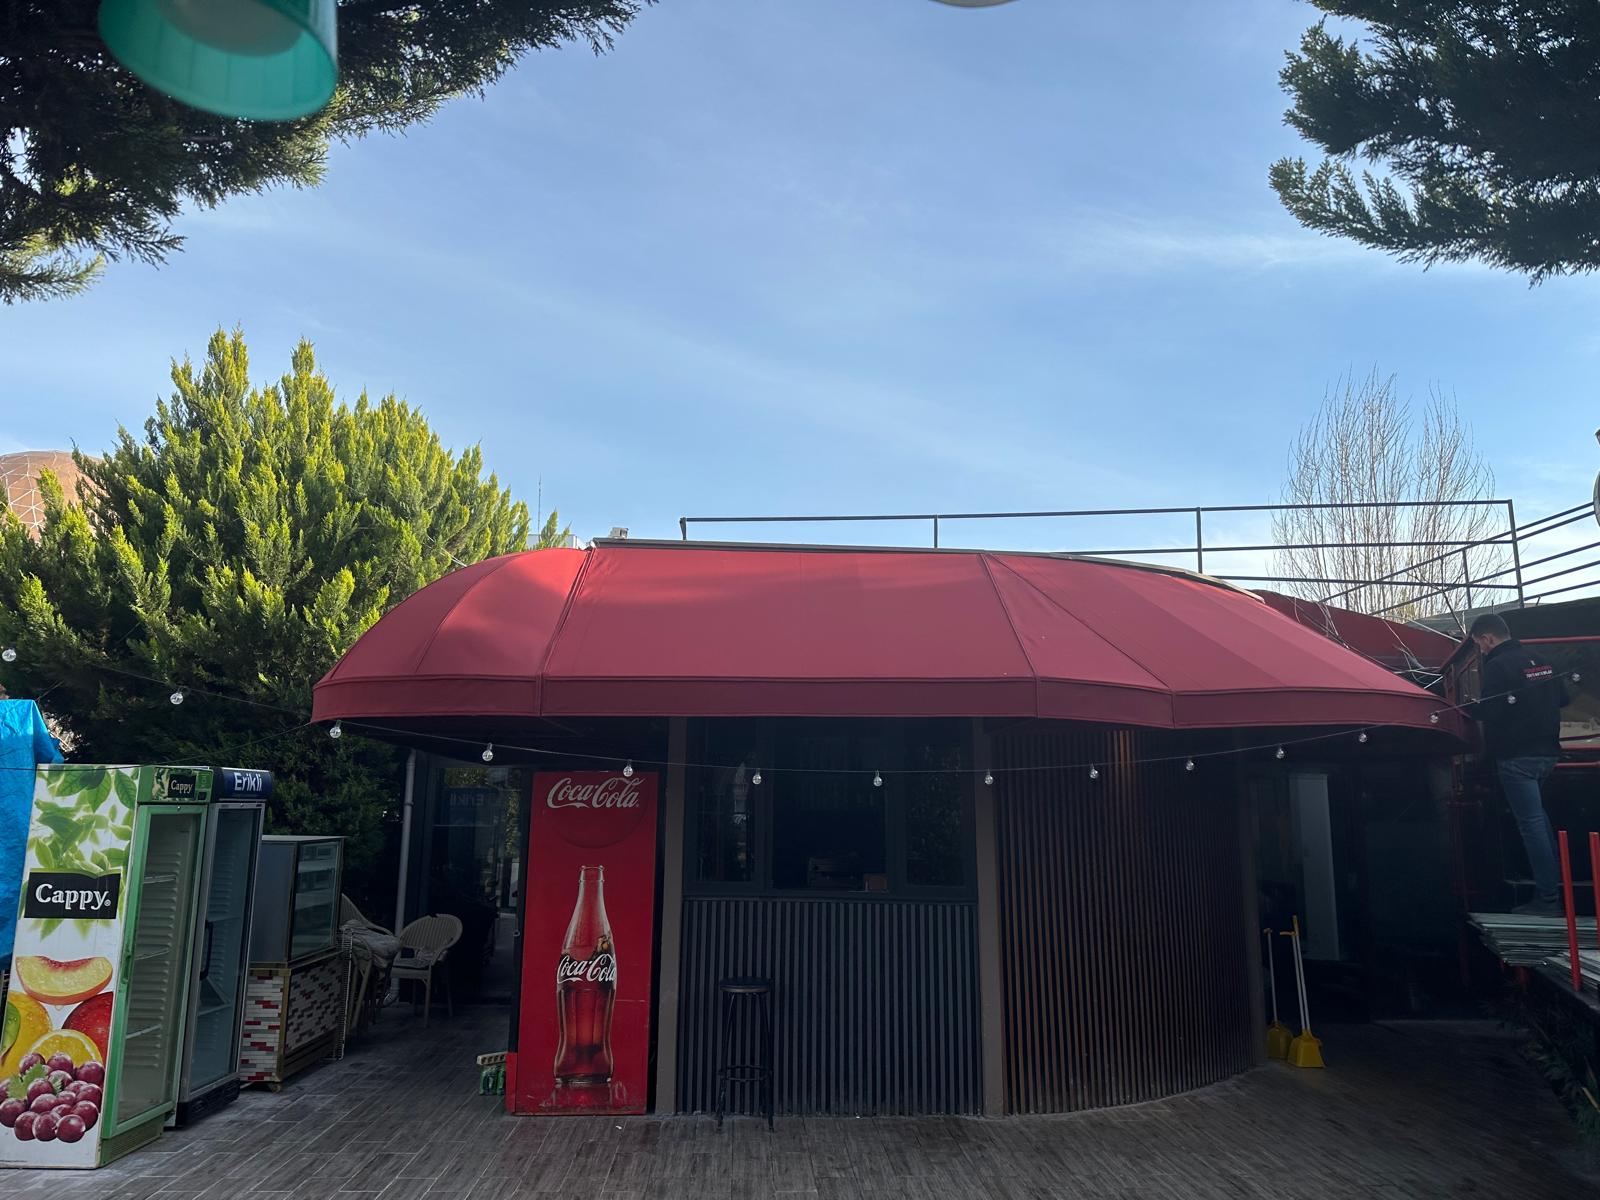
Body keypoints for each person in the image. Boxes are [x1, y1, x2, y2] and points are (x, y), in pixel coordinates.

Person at [1465, 613, 1570, 916]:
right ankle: (1558, 890)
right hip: (1548, 754)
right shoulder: (1543, 660)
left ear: (1487, 638)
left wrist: (1467, 709)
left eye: (1479, 644)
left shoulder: (1497, 666)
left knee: (1531, 825)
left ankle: (1548, 900)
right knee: (1539, 821)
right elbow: (1563, 699)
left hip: (1516, 757)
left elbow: (1492, 712)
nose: (1481, 650)